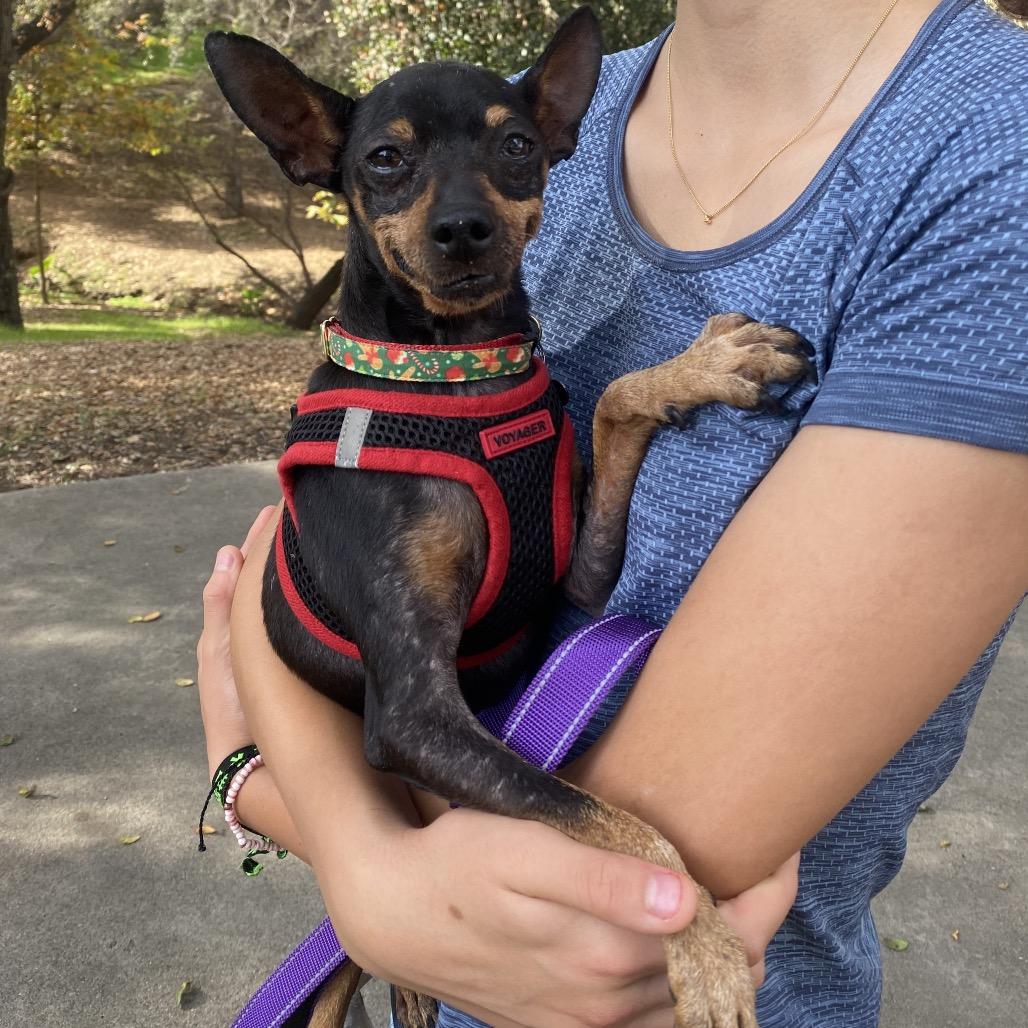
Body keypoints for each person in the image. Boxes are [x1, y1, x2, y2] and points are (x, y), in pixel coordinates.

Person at [197, 0, 1028, 1025]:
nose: (458, 215)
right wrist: (363, 869)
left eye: (507, 157)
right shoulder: (547, 133)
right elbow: (303, 529)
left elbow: (614, 905)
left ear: (543, 132)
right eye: (391, 171)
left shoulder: (993, 159)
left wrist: (275, 793)